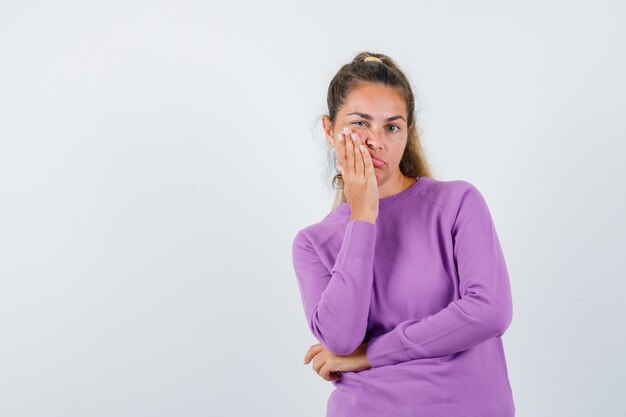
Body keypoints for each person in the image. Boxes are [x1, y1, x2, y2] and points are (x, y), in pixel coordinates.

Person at [291, 52, 515, 417]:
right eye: (360, 123)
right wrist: (362, 217)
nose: (375, 141)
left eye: (391, 127)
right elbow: (340, 339)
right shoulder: (314, 243)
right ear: (330, 130)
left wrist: (371, 354)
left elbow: (489, 313)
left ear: (408, 133)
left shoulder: (458, 203)